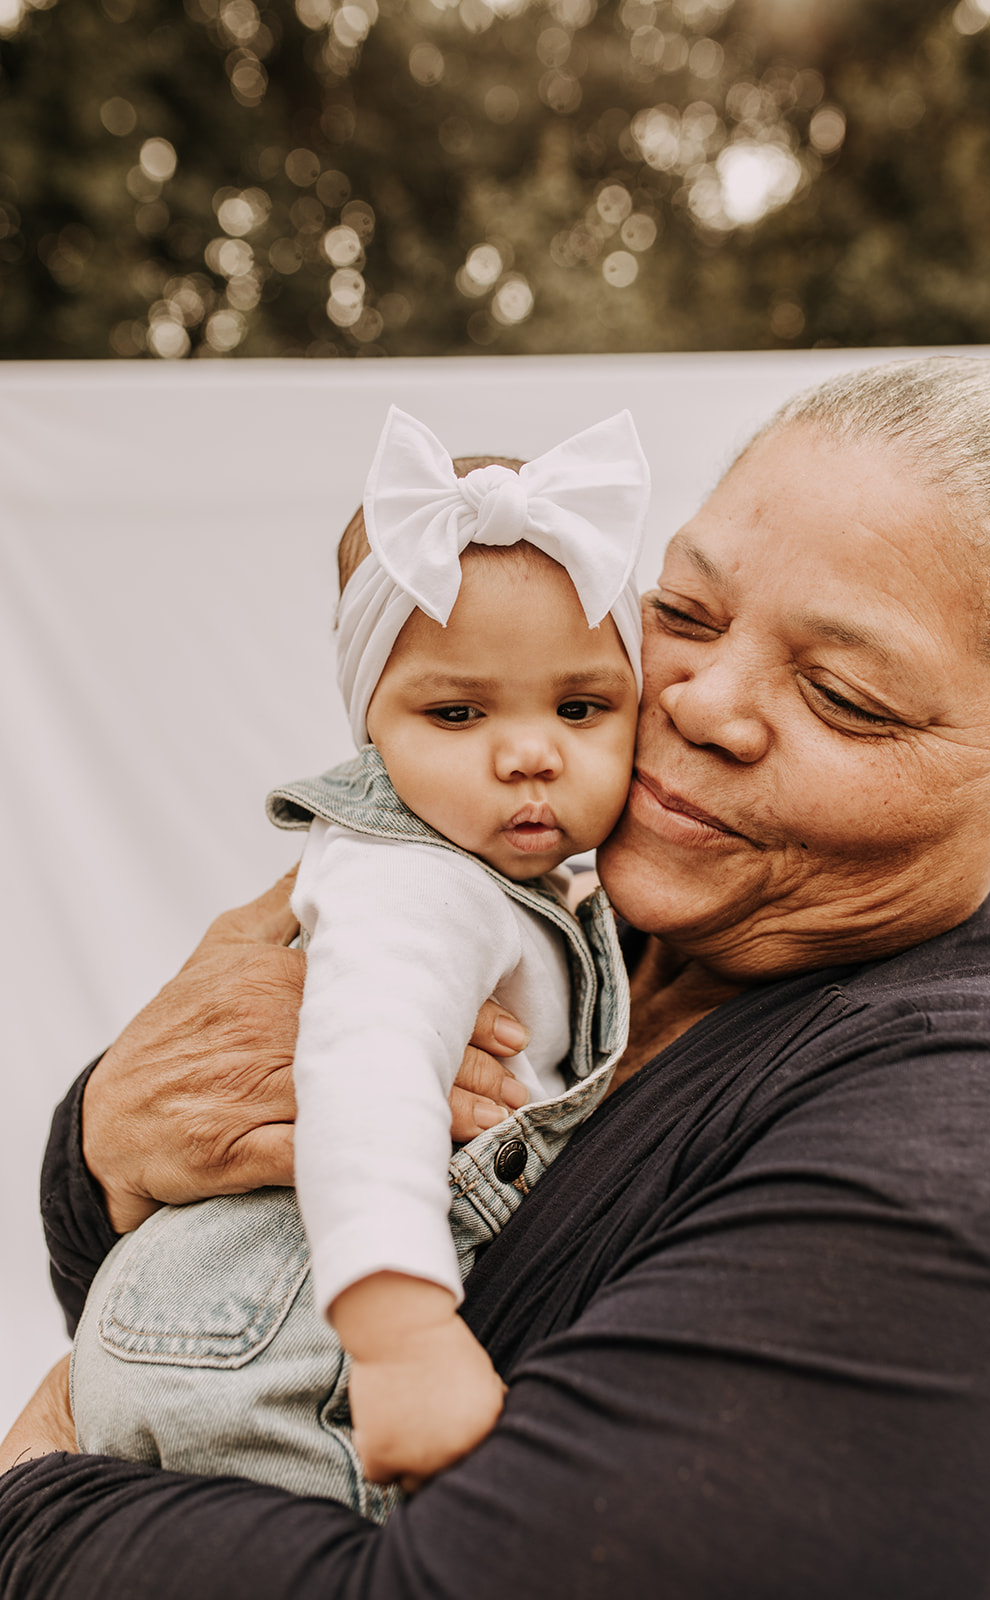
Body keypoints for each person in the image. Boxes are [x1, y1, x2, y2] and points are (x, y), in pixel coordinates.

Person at [5, 354, 990, 1600]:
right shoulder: (560, 920)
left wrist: (36, 1501)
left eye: (842, 695)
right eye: (682, 611)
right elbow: (197, 1255)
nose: (700, 701)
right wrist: (102, 1138)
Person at [69, 406, 647, 1510]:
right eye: (456, 710)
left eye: (580, 706)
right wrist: (401, 1329)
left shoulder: (523, 882)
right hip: (279, 1343)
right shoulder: (415, 881)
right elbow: (366, 1079)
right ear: (369, 725)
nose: (528, 753)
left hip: (226, 1326)